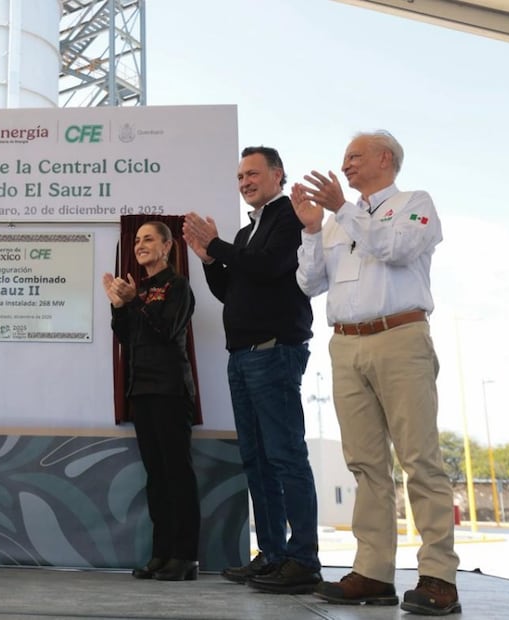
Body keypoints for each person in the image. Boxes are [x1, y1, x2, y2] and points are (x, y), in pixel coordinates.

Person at [293, 130, 461, 615]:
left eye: (355, 156)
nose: (345, 164)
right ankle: (373, 571)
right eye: (344, 158)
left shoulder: (414, 204)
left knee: (419, 458)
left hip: (399, 337)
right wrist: (311, 230)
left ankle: (439, 576)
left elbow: (395, 250)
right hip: (346, 344)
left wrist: (342, 210)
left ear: (385, 159)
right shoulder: (335, 222)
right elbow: (309, 283)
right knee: (365, 464)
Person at [182, 147, 320, 594]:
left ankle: (303, 559)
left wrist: (217, 246)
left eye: (253, 173)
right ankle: (274, 554)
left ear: (278, 175)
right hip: (242, 356)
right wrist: (210, 261)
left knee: (285, 456)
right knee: (257, 460)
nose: (244, 182)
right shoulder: (245, 233)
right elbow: (231, 290)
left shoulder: (289, 217)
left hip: (274, 351)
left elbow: (269, 266)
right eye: (240, 176)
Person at [102, 221, 200, 582]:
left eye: (148, 239)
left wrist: (134, 302)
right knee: (157, 477)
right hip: (141, 391)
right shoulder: (138, 289)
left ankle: (185, 556)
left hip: (170, 391)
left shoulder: (178, 286)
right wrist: (118, 306)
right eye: (137, 240)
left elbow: (165, 330)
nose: (140, 245)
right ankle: (162, 553)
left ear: (167, 246)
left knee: (177, 475)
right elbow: (128, 337)